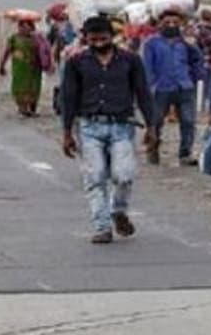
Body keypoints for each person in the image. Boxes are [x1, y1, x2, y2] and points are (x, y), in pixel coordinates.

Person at [60, 16, 157, 244]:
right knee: (95, 177)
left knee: (123, 175)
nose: (98, 43)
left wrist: (152, 126)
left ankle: (118, 210)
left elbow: (143, 93)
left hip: (122, 126)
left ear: (112, 36)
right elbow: (68, 97)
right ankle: (102, 226)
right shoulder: (76, 62)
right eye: (93, 39)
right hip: (89, 127)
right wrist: (66, 132)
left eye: (103, 38)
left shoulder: (130, 61)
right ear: (86, 38)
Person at [141, 9, 206, 166]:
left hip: (184, 86)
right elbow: (147, 67)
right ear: (160, 24)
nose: (171, 25)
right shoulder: (151, 43)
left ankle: (185, 153)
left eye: (175, 23)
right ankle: (153, 149)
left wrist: (195, 76)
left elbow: (198, 60)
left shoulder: (186, 43)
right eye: (167, 22)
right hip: (160, 88)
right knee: (155, 121)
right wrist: (148, 87)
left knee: (188, 121)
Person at [0, 17, 50, 117]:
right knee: (20, 88)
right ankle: (22, 108)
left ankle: (33, 109)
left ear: (32, 27)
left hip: (34, 69)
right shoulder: (14, 38)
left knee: (34, 88)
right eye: (22, 27)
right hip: (19, 69)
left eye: (28, 27)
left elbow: (44, 51)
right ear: (19, 27)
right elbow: (6, 52)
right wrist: (2, 65)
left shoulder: (37, 38)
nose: (24, 29)